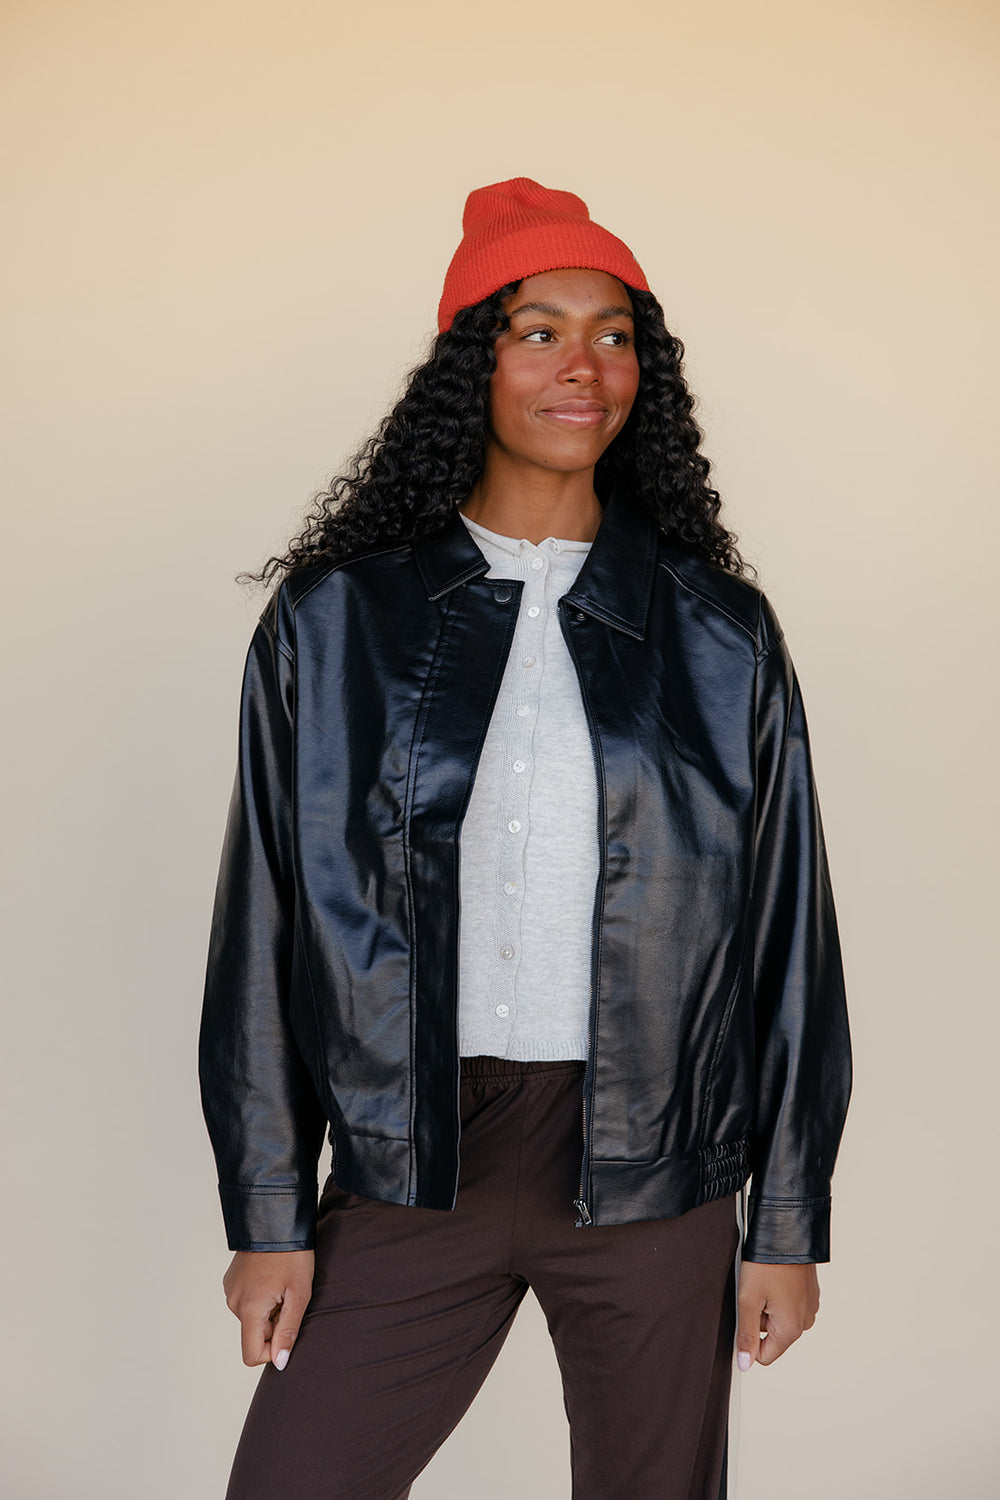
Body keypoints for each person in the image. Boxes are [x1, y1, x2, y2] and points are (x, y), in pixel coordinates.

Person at [198, 176, 852, 1499]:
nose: (582, 367)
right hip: (411, 1154)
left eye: (614, 335)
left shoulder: (718, 632)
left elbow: (790, 939)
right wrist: (269, 1212)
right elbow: (264, 927)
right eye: (538, 331)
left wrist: (785, 1223)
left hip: (655, 1161)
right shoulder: (338, 622)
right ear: (472, 366)